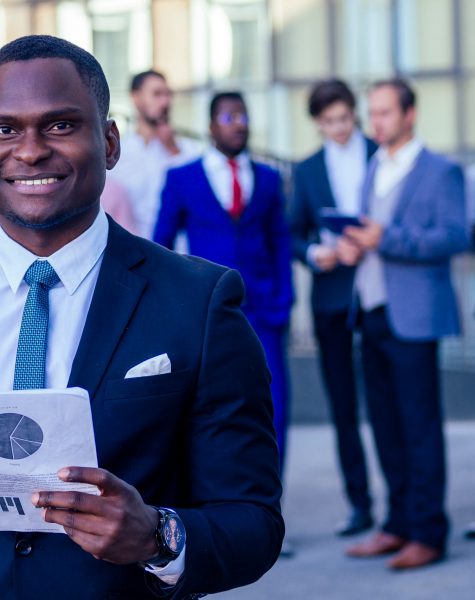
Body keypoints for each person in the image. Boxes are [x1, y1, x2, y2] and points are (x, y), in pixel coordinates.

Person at [0, 35, 283, 599]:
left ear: (109, 142)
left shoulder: (200, 303)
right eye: (4, 129)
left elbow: (252, 521)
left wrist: (159, 535)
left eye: (59, 125)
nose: (29, 151)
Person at [337, 78, 468, 569]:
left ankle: (429, 533)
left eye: (386, 114)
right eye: (373, 114)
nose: (376, 123)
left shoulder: (441, 170)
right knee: (386, 427)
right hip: (370, 312)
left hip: (415, 317)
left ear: (410, 115)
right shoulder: (376, 165)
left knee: (420, 428)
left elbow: (453, 236)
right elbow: (373, 235)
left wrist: (385, 238)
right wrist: (356, 244)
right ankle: (397, 525)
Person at [153, 92, 293, 473]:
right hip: (206, 311)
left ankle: (270, 502)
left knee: (274, 406)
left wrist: (284, 301)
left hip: (265, 312)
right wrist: (169, 306)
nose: (240, 124)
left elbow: (281, 240)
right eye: (230, 117)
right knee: (210, 406)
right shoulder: (182, 177)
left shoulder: (269, 178)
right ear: (211, 126)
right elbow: (160, 243)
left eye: (244, 116)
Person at [290, 79, 377, 537]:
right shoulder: (306, 171)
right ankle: (360, 504)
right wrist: (316, 254)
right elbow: (294, 233)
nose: (338, 128)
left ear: (355, 114)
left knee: (390, 406)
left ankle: (404, 503)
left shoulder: (380, 155)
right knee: (343, 408)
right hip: (331, 297)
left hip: (379, 292)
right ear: (318, 123)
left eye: (343, 119)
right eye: (328, 122)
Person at [105, 69, 199, 239]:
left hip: (180, 257)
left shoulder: (187, 150)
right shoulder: (117, 152)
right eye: (157, 94)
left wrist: (173, 150)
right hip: (133, 254)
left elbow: (198, 199)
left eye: (168, 95)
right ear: (136, 97)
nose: (165, 102)